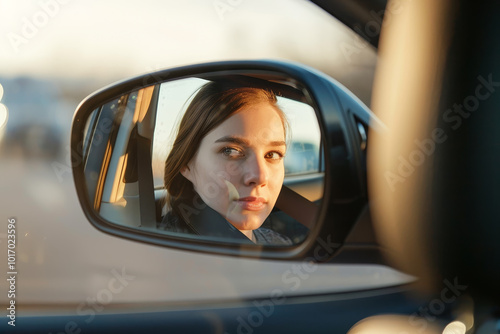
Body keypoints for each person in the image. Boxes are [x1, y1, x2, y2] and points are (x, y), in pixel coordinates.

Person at [158, 80, 292, 245]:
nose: (260, 176)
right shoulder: (166, 252)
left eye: (272, 154)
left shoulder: (280, 244)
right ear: (185, 164)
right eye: (230, 151)